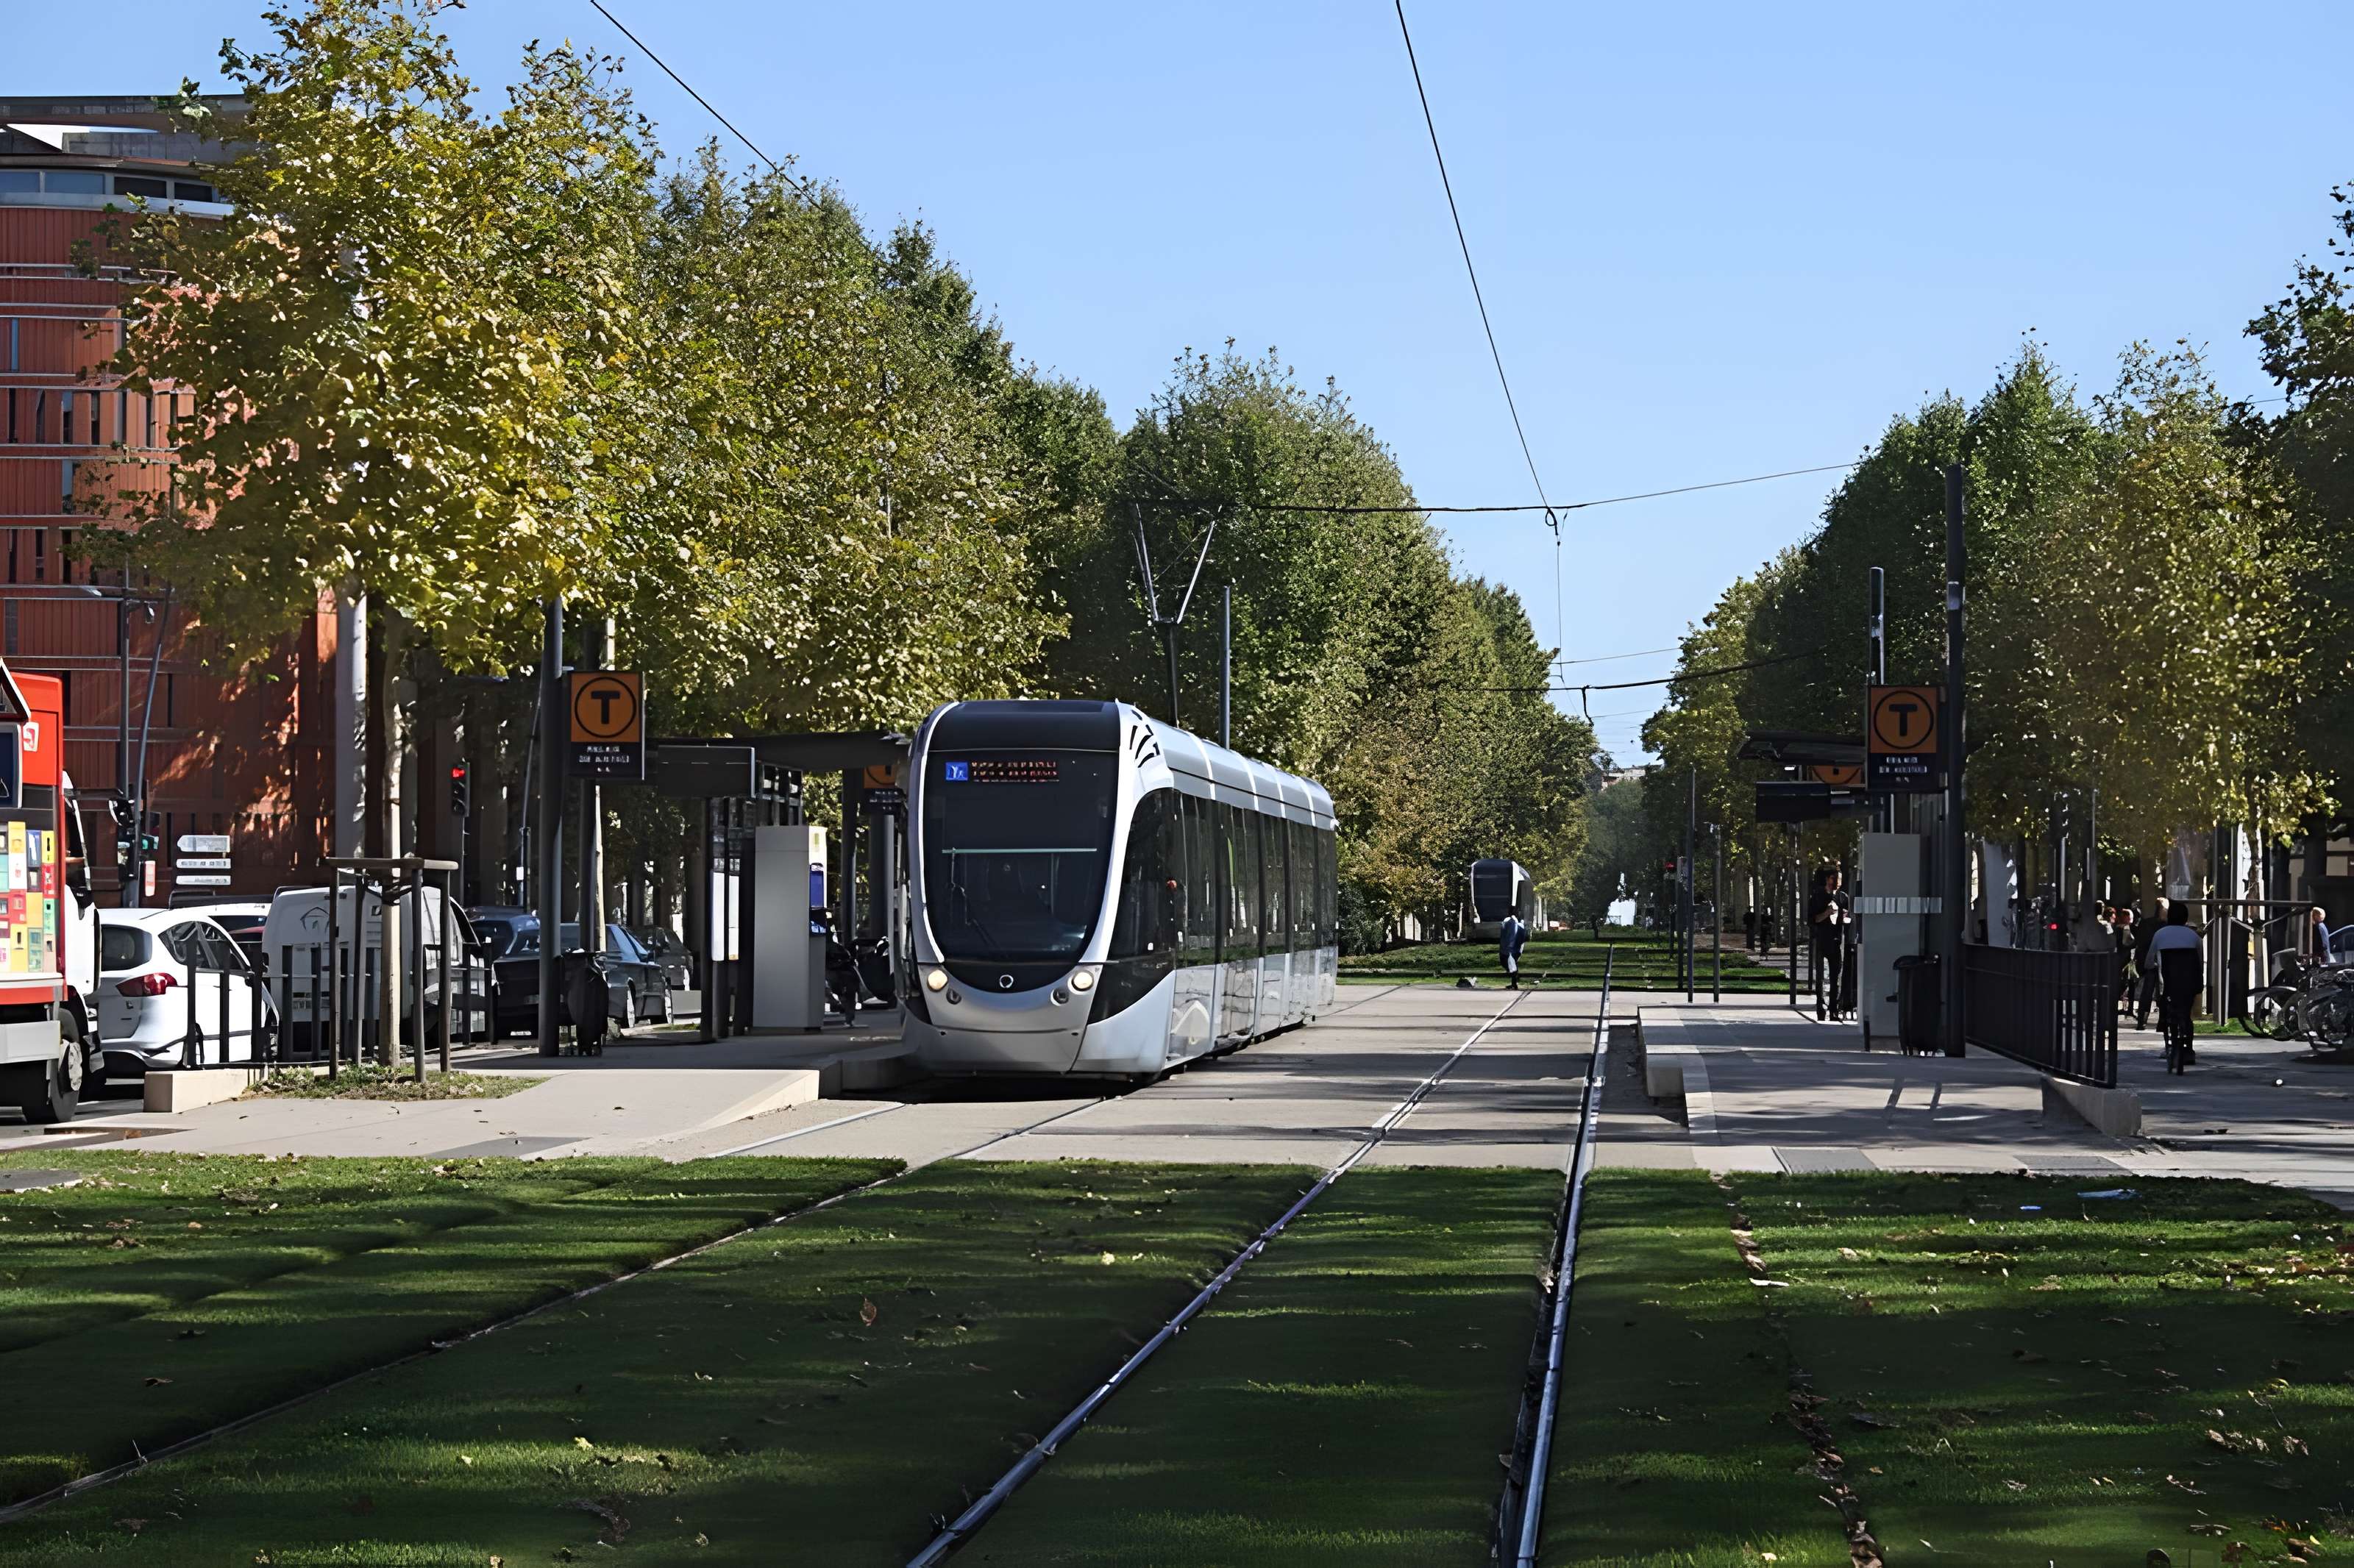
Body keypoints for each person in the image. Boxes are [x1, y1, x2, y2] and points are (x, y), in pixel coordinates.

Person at [2146, 902, 2203, 1066]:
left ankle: (2170, 1046)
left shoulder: (2160, 934)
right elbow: (2199, 962)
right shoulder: (2194, 937)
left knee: (2167, 1010)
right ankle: (2189, 1050)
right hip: (2190, 983)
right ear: (2186, 918)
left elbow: (2149, 960)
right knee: (2186, 1015)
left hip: (2169, 983)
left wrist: (2151, 966)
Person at [1807, 868, 1852, 1022]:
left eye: (1839, 879)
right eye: (1834, 879)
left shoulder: (1843, 897)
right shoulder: (1818, 896)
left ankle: (1834, 1009)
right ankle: (1821, 1007)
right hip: (1821, 940)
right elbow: (1813, 920)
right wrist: (1827, 912)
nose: (1837, 882)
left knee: (1836, 977)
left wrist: (1844, 917)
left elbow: (1848, 920)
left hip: (1837, 941)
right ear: (1827, 879)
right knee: (1821, 976)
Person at [2131, 899, 2166, 1028]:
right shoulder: (2165, 925)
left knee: (2147, 991)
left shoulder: (2146, 924)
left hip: (2150, 960)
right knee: (2162, 991)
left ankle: (2142, 1021)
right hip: (2161, 960)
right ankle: (2162, 1021)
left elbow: (2141, 943)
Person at [1498, 910, 1529, 989]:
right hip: (1515, 949)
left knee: (1511, 966)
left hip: (1511, 950)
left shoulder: (1512, 923)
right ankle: (1514, 983)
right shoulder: (1518, 925)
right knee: (1513, 965)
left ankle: (1514, 984)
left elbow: (1511, 936)